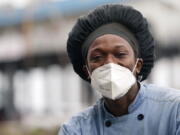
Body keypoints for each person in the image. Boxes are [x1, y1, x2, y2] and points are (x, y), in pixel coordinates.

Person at [59, 4, 180, 135]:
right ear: (87, 71)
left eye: (120, 54)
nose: (110, 64)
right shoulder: (76, 129)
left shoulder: (173, 110)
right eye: (98, 57)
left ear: (137, 65)